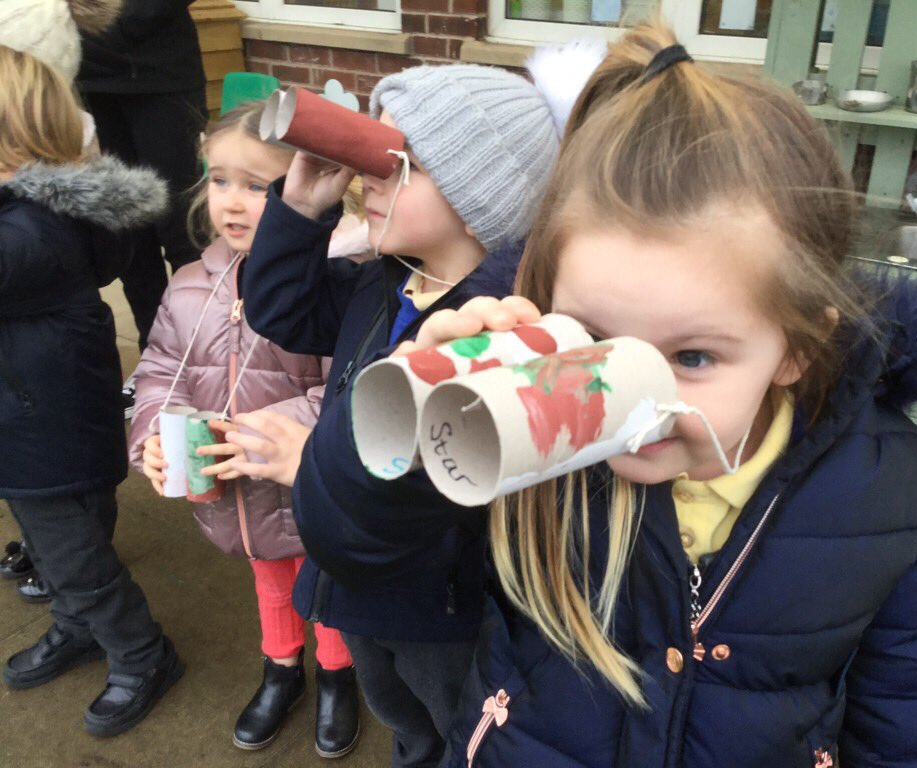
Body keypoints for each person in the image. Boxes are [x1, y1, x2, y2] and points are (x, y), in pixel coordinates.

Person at [264, 23, 917, 766]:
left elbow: (909, 716)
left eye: (693, 356)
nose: (634, 401)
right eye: (592, 337)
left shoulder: (888, 489)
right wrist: (402, 447)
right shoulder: (535, 444)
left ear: (797, 347)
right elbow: (353, 546)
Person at [224, 64, 562, 767]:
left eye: (401, 164)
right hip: (356, 582)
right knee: (401, 719)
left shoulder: (498, 335)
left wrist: (320, 461)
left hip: (437, 604)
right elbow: (281, 308)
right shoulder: (385, 281)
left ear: (476, 198)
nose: (370, 179)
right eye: (372, 157)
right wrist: (301, 205)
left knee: (455, 731)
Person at [128, 101, 360, 759]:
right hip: (232, 492)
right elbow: (159, 370)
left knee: (325, 577)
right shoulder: (188, 286)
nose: (232, 201)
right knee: (268, 576)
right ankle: (281, 668)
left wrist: (268, 431)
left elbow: (347, 385)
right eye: (220, 179)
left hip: (305, 480)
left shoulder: (329, 286)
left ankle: (338, 672)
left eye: (258, 186)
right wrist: (152, 435)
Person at [0, 44, 182, 738]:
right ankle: (78, 624)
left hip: (43, 426)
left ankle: (142, 653)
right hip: (38, 415)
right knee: (59, 545)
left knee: (77, 558)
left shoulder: (29, 233)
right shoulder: (35, 211)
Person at [76, 1, 207, 365]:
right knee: (129, 235)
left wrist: (118, 22)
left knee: (184, 228)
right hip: (91, 78)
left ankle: (202, 353)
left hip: (161, 75)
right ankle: (156, 355)